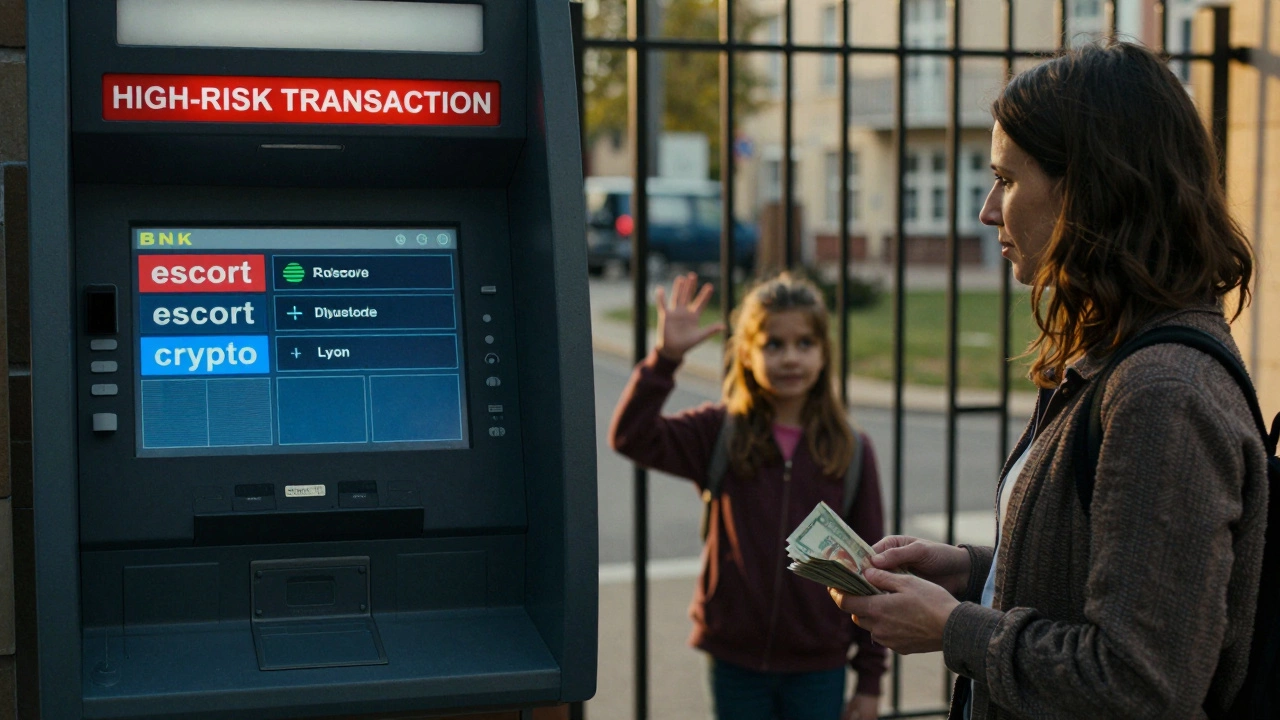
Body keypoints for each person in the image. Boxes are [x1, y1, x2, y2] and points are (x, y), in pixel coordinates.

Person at [828, 41, 1269, 719]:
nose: (987, 209)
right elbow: (1105, 573)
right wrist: (975, 572)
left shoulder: (1162, 394)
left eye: (1006, 179)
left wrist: (953, 629)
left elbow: (1142, 682)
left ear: (1091, 188)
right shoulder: (1118, 356)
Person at [610, 271, 887, 720]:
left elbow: (871, 570)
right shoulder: (718, 432)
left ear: (824, 354)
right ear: (747, 354)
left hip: (819, 665)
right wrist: (665, 359)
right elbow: (630, 436)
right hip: (735, 659)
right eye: (773, 344)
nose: (790, 357)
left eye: (804, 343)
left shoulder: (851, 449)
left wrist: (871, 681)